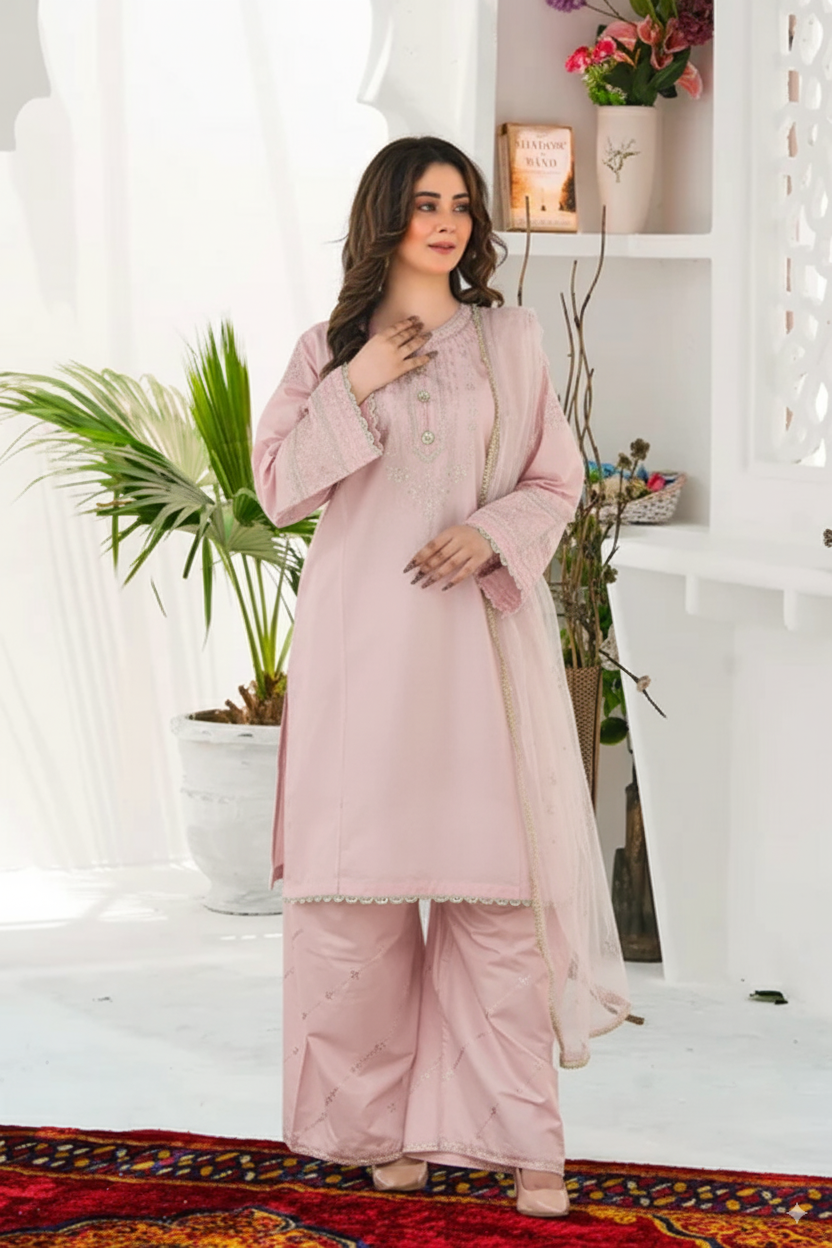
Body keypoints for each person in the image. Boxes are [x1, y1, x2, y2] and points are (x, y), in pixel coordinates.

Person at [252, 135, 629, 1219]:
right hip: (361, 648)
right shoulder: (325, 346)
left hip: (474, 650)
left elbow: (555, 475)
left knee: (498, 907)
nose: (447, 221)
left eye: (460, 203)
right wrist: (358, 380)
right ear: (384, 217)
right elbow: (276, 487)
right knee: (353, 908)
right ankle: (377, 1132)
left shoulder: (509, 340)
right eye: (424, 203)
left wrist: (491, 533)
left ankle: (520, 1142)